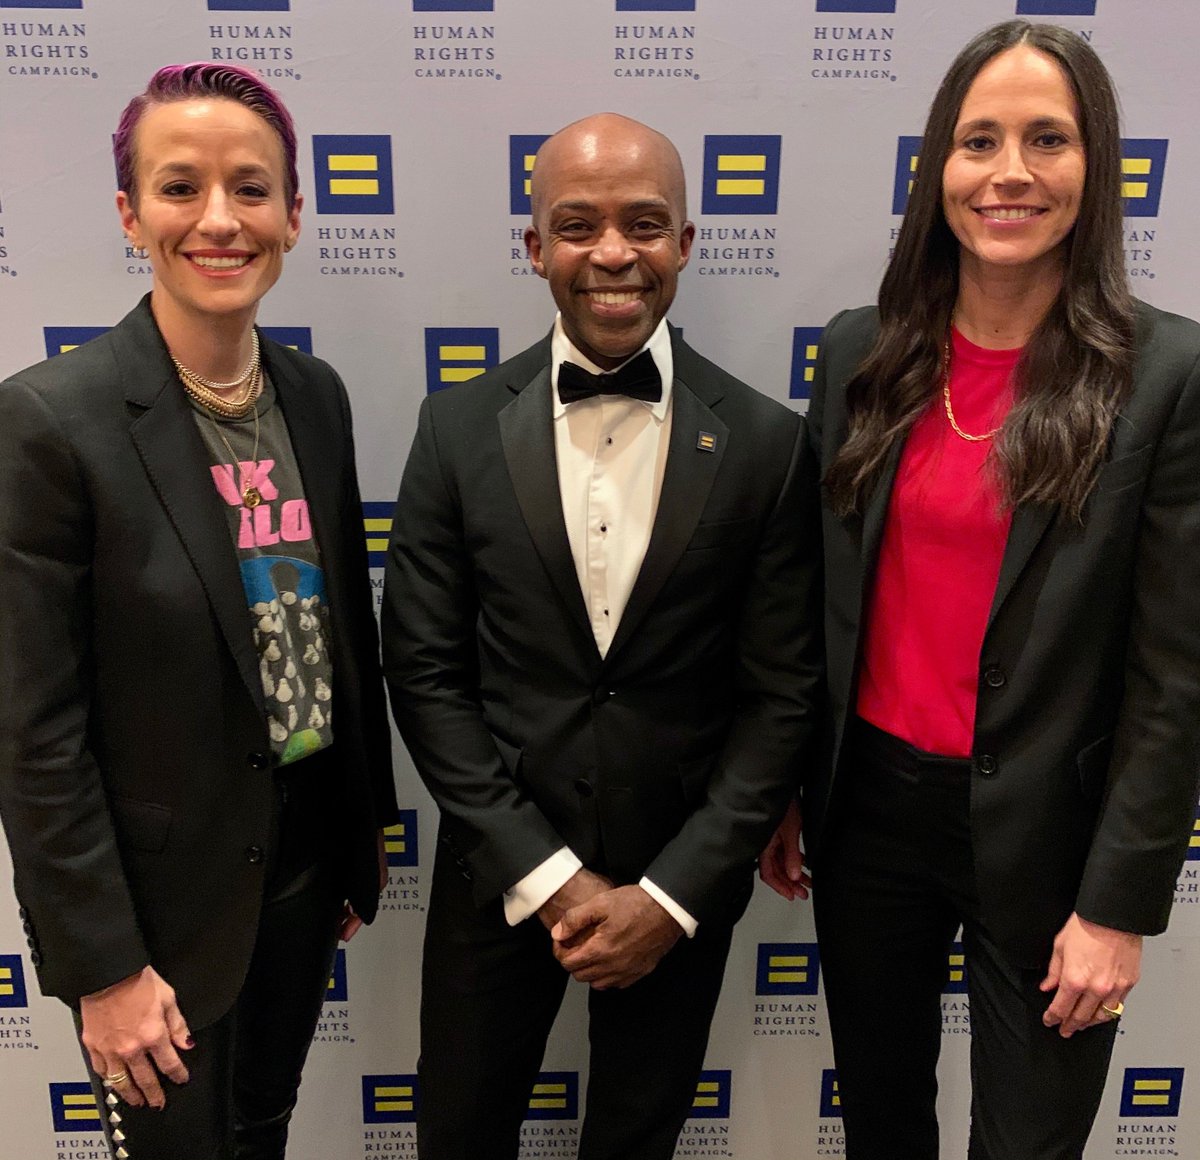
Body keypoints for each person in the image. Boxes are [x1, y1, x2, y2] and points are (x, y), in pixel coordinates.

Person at [759, 19, 1200, 1160]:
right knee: (884, 1127)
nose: (1010, 172)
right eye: (978, 140)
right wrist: (797, 784)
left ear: (1095, 167)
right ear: (937, 172)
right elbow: (820, 605)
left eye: (1046, 139)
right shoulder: (865, 353)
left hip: (1052, 832)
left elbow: (1176, 672)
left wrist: (1117, 906)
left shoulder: (1166, 375)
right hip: (870, 819)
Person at [382, 112, 822, 1160]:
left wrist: (671, 895)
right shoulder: (453, 428)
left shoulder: (766, 440)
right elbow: (425, 670)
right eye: (578, 225)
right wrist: (550, 875)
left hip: (681, 879)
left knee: (638, 1136)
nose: (613, 252)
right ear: (535, 247)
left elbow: (783, 690)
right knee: (459, 1130)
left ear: (685, 242)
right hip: (501, 872)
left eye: (644, 222)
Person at [0, 63, 397, 1160]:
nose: (219, 219)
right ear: (131, 213)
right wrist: (101, 965)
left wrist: (357, 836)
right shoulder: (49, 422)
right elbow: (35, 731)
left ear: (294, 215)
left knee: (261, 1130)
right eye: (181, 188)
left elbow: (334, 631)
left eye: (251, 189)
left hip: (304, 869)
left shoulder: (314, 396)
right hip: (156, 915)